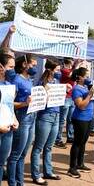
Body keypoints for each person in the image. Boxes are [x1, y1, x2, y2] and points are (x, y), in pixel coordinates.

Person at [7, 54, 38, 186]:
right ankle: (12, 183)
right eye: (32, 64)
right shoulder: (17, 80)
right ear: (24, 65)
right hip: (22, 118)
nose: (34, 67)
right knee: (15, 154)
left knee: (23, 154)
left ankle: (20, 182)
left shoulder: (29, 79)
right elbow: (9, 102)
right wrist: (25, 103)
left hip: (32, 118)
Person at [30, 59, 62, 185]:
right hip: (45, 117)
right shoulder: (41, 83)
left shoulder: (57, 82)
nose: (59, 72)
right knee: (38, 147)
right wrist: (47, 95)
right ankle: (36, 175)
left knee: (49, 146)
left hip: (56, 115)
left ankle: (48, 171)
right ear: (51, 70)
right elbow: (38, 101)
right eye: (58, 70)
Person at [67, 67, 94, 178]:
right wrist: (89, 95)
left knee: (83, 142)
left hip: (88, 118)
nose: (88, 78)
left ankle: (80, 164)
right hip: (80, 119)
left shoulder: (86, 87)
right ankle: (72, 168)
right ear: (80, 77)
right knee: (77, 143)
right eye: (86, 76)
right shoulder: (77, 89)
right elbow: (81, 105)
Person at [0, 52, 19, 183]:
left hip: (7, 130)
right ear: (1, 67)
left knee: (1, 164)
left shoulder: (9, 85)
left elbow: (9, 106)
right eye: (10, 67)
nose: (13, 70)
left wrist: (15, 120)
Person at [55, 58, 76, 148]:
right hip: (65, 97)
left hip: (71, 97)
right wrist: (76, 65)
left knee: (71, 119)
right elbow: (71, 75)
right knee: (62, 120)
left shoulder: (71, 69)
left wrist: (76, 65)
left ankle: (70, 136)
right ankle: (58, 139)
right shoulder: (63, 70)